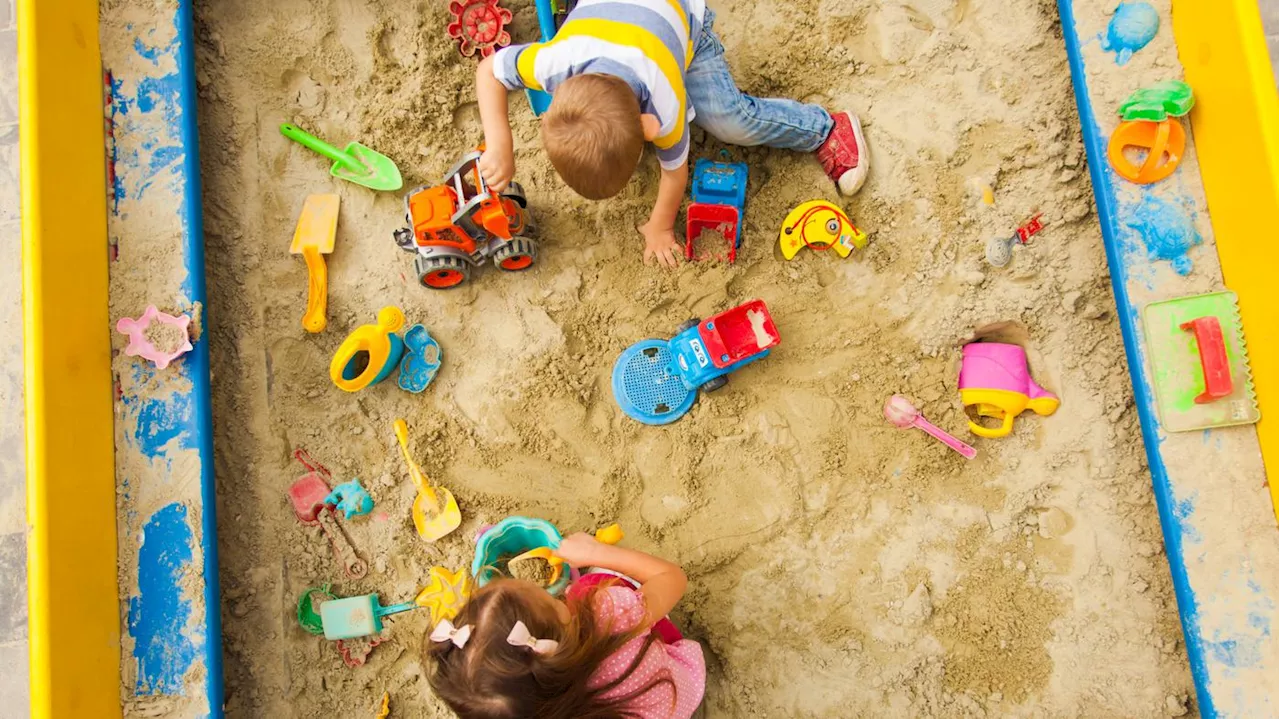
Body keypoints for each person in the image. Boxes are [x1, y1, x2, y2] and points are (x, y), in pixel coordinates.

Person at [473, 0, 869, 269]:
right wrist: (500, 143)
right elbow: (489, 70)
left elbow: (674, 172)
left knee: (730, 121)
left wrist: (660, 225)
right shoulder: (553, 61)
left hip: (683, 27)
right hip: (610, 20)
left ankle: (823, 129)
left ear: (650, 127)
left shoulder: (664, 102)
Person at [423, 532, 705, 718]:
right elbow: (672, 577)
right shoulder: (611, 616)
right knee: (590, 585)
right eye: (546, 597)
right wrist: (597, 552)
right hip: (679, 692)